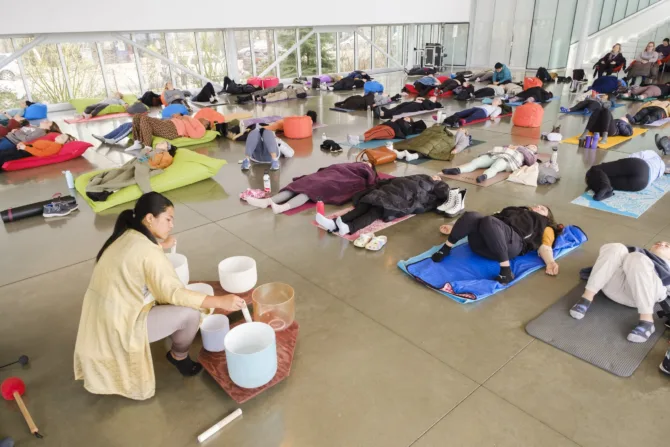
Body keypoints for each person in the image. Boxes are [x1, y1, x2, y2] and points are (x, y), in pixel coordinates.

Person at [74, 192, 246, 400]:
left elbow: (138, 260)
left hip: (99, 321)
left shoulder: (125, 235)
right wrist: (220, 301)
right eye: (168, 219)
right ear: (149, 218)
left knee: (176, 300)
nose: (171, 225)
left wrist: (160, 246)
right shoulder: (148, 251)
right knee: (191, 313)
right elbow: (174, 293)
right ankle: (178, 356)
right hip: (119, 327)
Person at [431, 205, 562, 284]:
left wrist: (550, 262)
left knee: (489, 221)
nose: (538, 207)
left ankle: (506, 271)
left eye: (542, 209)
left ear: (548, 217)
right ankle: (446, 248)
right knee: (472, 215)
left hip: (512, 244)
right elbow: (484, 218)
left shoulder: (545, 225)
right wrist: (453, 226)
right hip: (482, 243)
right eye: (537, 205)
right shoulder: (516, 210)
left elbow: (545, 246)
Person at [569, 242, 670, 343]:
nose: (662, 244)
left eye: (667, 245)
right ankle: (586, 298)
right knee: (616, 247)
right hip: (613, 288)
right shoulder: (635, 253)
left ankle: (647, 321)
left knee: (637, 258)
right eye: (658, 243)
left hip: (645, 295)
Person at [314, 174, 451, 236]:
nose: (436, 176)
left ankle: (350, 227)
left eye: (439, 178)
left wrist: (439, 184)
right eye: (436, 176)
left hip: (399, 199)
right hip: (389, 191)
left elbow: (442, 194)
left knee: (374, 211)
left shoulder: (435, 188)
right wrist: (383, 183)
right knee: (365, 204)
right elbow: (400, 180)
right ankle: (334, 223)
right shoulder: (421, 176)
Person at [245, 162, 379, 213]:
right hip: (330, 173)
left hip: (339, 180)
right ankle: (267, 201)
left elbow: (371, 181)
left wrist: (367, 168)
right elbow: (335, 166)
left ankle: (282, 207)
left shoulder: (366, 169)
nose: (364, 161)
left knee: (310, 190)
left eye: (367, 162)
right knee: (299, 185)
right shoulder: (352, 164)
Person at [585, 150, 666, 201]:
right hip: (642, 183)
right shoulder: (661, 171)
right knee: (606, 178)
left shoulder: (655, 155)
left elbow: (637, 156)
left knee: (595, 170)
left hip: (640, 166)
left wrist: (619, 165)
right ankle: (606, 189)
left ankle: (605, 186)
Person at [441, 144, 538, 183]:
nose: (532, 147)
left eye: (534, 147)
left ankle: (484, 176)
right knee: (476, 162)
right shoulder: (516, 145)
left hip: (509, 159)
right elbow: (503, 146)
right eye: (531, 145)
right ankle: (457, 170)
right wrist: (510, 146)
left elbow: (530, 162)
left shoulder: (531, 154)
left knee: (496, 167)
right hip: (497, 154)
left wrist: (519, 148)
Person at [125, 114, 208, 152]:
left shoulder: (201, 127)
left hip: (173, 130)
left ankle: (147, 146)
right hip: (168, 123)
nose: (204, 118)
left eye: (206, 120)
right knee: (137, 117)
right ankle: (137, 142)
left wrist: (186, 120)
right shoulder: (192, 119)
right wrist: (179, 117)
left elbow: (195, 135)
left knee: (145, 119)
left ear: (206, 124)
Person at [0, 133, 74, 169]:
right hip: (25, 148)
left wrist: (25, 148)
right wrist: (23, 144)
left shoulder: (56, 146)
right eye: (61, 135)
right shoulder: (52, 142)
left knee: (3, 156)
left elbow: (42, 153)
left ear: (65, 142)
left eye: (63, 137)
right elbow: (33, 144)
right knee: (3, 153)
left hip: (26, 152)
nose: (59, 136)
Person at [442, 98, 506, 127]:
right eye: (494, 99)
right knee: (461, 113)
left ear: (500, 103)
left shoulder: (498, 108)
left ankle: (458, 123)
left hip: (484, 112)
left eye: (497, 100)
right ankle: (448, 120)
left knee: (473, 116)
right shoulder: (487, 104)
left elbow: (494, 114)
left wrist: (493, 117)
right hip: (475, 108)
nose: (495, 100)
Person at [374, 96, 442, 119]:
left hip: (416, 107)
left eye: (433, 97)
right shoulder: (426, 100)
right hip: (414, 103)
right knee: (400, 105)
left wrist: (423, 101)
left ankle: (385, 115)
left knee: (402, 110)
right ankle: (388, 111)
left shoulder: (433, 104)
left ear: (435, 100)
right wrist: (418, 99)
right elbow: (420, 100)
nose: (432, 97)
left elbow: (428, 108)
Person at [334, 92, 400, 111]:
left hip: (369, 101)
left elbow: (383, 102)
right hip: (367, 99)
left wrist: (391, 98)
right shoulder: (379, 95)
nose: (385, 93)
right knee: (356, 98)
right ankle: (393, 98)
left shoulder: (383, 98)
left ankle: (394, 98)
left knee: (357, 100)